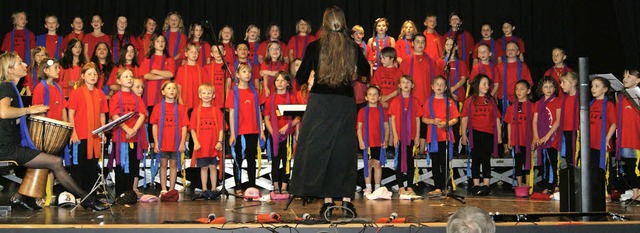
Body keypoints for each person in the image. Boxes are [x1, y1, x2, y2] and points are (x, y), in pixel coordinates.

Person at [0, 52, 107, 211]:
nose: (25, 65)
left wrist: (25, 114)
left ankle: (21, 197)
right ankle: (88, 200)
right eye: (20, 63)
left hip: (12, 144)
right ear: (9, 70)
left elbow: (10, 119)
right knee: (55, 162)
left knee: (44, 160)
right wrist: (30, 109)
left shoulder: (13, 89)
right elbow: (3, 112)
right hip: (6, 148)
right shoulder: (6, 87)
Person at [290, 6, 370, 218]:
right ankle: (346, 201)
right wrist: (351, 75)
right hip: (344, 103)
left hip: (321, 103)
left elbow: (299, 77)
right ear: (343, 23)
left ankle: (326, 202)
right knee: (344, 151)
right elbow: (366, 74)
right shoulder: (352, 46)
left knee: (321, 148)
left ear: (325, 23)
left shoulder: (315, 46)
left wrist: (315, 74)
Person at [66, 62, 110, 207]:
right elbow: (71, 114)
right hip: (80, 136)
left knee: (92, 167)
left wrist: (102, 132)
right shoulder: (77, 92)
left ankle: (90, 197)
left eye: (95, 74)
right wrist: (73, 133)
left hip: (95, 137)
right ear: (83, 76)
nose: (93, 76)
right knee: (79, 167)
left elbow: (103, 115)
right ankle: (80, 196)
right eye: (89, 74)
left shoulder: (100, 94)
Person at [225, 63, 265, 196]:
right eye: (243, 71)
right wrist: (232, 133)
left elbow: (259, 112)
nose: (247, 74)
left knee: (251, 159)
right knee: (238, 159)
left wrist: (262, 130)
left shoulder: (255, 92)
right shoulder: (233, 92)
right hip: (239, 131)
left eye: (248, 72)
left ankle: (252, 185)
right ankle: (238, 186)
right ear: (237, 75)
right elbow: (231, 113)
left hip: (253, 131)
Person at [460, 74, 502, 195]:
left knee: (486, 159)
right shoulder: (470, 100)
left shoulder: (491, 100)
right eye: (484, 83)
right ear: (477, 85)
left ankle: (486, 185)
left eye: (488, 84)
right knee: (476, 159)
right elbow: (464, 119)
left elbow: (497, 119)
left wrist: (499, 136)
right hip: (475, 134)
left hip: (488, 134)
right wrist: (463, 134)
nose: (487, 86)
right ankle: (476, 184)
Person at [109, 68, 146, 197]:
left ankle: (130, 193)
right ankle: (120, 194)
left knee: (132, 165)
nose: (129, 79)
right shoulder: (115, 97)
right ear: (119, 80)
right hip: (120, 138)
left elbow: (142, 114)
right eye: (125, 77)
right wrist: (127, 129)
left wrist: (134, 130)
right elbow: (114, 115)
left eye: (131, 76)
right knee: (120, 166)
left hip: (134, 137)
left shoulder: (136, 97)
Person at [264, 71, 300, 199]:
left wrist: (288, 126)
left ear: (288, 83)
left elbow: (298, 117)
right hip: (274, 135)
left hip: (288, 134)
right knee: (275, 160)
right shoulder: (270, 99)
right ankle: (275, 186)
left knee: (286, 160)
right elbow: (267, 118)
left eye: (282, 80)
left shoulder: (292, 98)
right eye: (277, 80)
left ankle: (284, 185)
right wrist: (272, 132)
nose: (280, 82)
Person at [150, 80, 188, 199]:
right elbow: (154, 126)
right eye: (169, 88)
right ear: (163, 92)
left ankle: (172, 189)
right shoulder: (157, 107)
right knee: (163, 165)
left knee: (173, 165)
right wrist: (156, 142)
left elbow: (184, 127)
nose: (172, 91)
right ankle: (163, 189)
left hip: (175, 143)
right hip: (163, 142)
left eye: (174, 88)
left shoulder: (181, 108)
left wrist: (182, 143)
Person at [423, 76, 460, 195]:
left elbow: (456, 118)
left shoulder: (449, 102)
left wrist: (446, 124)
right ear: (432, 87)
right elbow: (424, 119)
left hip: (445, 136)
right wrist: (433, 122)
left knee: (444, 162)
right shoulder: (428, 102)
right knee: (435, 162)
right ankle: (437, 187)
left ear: (445, 88)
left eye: (442, 84)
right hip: (433, 137)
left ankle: (445, 186)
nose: (439, 86)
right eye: (437, 84)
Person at [388, 75, 421, 198]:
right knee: (399, 161)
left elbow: (417, 120)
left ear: (412, 85)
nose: (406, 84)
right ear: (399, 85)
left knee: (410, 161)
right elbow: (393, 119)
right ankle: (401, 186)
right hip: (400, 136)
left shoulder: (416, 101)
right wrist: (395, 135)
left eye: (408, 82)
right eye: (403, 82)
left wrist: (417, 136)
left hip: (411, 136)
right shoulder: (395, 101)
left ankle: (410, 186)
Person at [190, 83, 224, 200]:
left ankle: (214, 188)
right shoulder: (196, 111)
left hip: (213, 145)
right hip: (202, 145)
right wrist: (195, 142)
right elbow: (192, 129)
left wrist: (219, 141)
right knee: (204, 167)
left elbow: (221, 128)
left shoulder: (217, 111)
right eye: (204, 93)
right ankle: (204, 189)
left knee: (213, 167)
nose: (206, 95)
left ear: (214, 95)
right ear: (199, 95)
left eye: (209, 93)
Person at [588, 76, 616, 211]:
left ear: (605, 89)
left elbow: (614, 124)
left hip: (603, 143)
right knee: (592, 169)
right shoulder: (590, 104)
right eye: (592, 86)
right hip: (591, 143)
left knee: (603, 169)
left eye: (597, 86)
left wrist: (606, 139)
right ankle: (594, 192)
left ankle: (605, 192)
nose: (593, 88)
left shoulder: (609, 104)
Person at [357, 86, 389, 197]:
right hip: (367, 142)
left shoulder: (382, 112)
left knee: (378, 165)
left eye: (375, 94)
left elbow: (386, 127)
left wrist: (385, 139)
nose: (373, 96)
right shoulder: (362, 111)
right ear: (366, 97)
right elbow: (359, 128)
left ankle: (377, 187)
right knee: (368, 165)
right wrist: (361, 141)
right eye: (370, 94)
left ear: (379, 97)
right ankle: (368, 187)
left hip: (378, 143)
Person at [532, 77, 562, 194]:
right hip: (541, 137)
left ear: (555, 88)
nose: (548, 89)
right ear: (541, 89)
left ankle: (551, 184)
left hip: (551, 137)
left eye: (551, 86)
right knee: (543, 160)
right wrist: (536, 136)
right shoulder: (538, 103)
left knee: (551, 161)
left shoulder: (557, 101)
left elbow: (558, 121)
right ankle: (546, 182)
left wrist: (547, 136)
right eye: (546, 86)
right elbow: (534, 121)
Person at [504, 80, 533, 187]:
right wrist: (509, 140)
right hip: (516, 141)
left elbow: (535, 124)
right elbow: (509, 124)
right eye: (516, 89)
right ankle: (519, 186)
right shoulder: (511, 107)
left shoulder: (533, 106)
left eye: (522, 89)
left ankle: (528, 185)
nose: (518, 91)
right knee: (518, 163)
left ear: (528, 91)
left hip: (528, 140)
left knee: (527, 164)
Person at [619, 69, 640, 203]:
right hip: (626, 137)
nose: (625, 78)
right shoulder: (622, 96)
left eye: (629, 76)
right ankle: (635, 192)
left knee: (637, 166)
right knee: (630, 165)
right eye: (624, 76)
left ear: (638, 80)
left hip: (636, 137)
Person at [496, 41, 532, 114]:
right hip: (503, 99)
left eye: (513, 49)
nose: (510, 51)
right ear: (505, 52)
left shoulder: (523, 66)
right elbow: (496, 83)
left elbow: (529, 83)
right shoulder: (499, 66)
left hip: (520, 98)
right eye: (508, 49)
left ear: (518, 52)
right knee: (505, 121)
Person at [176, 42, 208, 110]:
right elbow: (178, 87)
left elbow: (206, 87)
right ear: (186, 54)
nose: (194, 54)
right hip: (184, 102)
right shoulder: (181, 70)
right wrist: (180, 100)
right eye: (191, 52)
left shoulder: (202, 70)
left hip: (198, 103)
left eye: (196, 52)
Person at [559, 72, 579, 167]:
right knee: (568, 156)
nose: (561, 85)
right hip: (565, 130)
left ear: (573, 83)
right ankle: (570, 176)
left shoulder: (580, 98)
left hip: (577, 131)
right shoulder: (564, 99)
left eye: (563, 82)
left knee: (576, 155)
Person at [204, 44, 231, 109]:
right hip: (212, 101)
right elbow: (206, 85)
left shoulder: (229, 67)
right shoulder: (207, 68)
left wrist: (228, 101)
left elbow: (230, 85)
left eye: (220, 51)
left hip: (226, 100)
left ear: (224, 52)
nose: (218, 53)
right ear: (212, 54)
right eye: (215, 51)